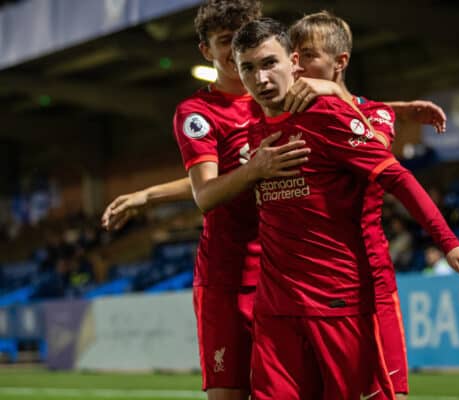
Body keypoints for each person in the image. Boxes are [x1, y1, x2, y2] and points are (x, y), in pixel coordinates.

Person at [232, 17, 459, 399]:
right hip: (276, 307)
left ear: (293, 61)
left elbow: (396, 176)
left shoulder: (333, 115)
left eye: (270, 63)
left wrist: (450, 243)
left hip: (342, 295)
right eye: (248, 68)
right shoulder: (252, 129)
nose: (261, 77)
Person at [106, 2, 309, 399]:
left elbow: (229, 173)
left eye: (243, 36)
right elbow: (209, 192)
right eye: (224, 41)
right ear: (206, 51)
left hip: (284, 275)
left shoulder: (278, 95)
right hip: (229, 278)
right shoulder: (197, 113)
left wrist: (149, 194)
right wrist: (255, 169)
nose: (237, 49)